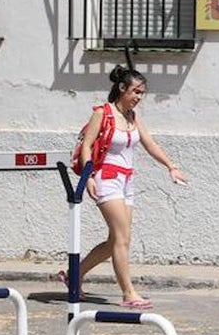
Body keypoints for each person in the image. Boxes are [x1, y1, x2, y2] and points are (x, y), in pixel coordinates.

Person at [63, 65, 187, 309]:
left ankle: (73, 276)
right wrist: (88, 177)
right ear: (122, 89)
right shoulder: (103, 112)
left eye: (142, 93)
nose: (139, 98)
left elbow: (150, 144)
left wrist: (171, 166)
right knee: (122, 239)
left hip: (127, 180)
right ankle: (128, 293)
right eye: (136, 92)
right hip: (106, 178)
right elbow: (87, 146)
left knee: (114, 241)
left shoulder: (133, 117)